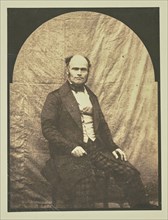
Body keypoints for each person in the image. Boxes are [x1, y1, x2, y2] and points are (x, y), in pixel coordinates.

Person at [41, 54, 158, 209]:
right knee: (86, 183)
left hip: (95, 150)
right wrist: (70, 147)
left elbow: (102, 127)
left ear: (88, 72)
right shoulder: (55, 97)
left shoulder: (92, 97)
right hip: (68, 154)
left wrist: (113, 147)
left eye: (83, 69)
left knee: (129, 172)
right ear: (67, 71)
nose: (79, 73)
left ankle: (143, 213)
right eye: (75, 69)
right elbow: (48, 128)